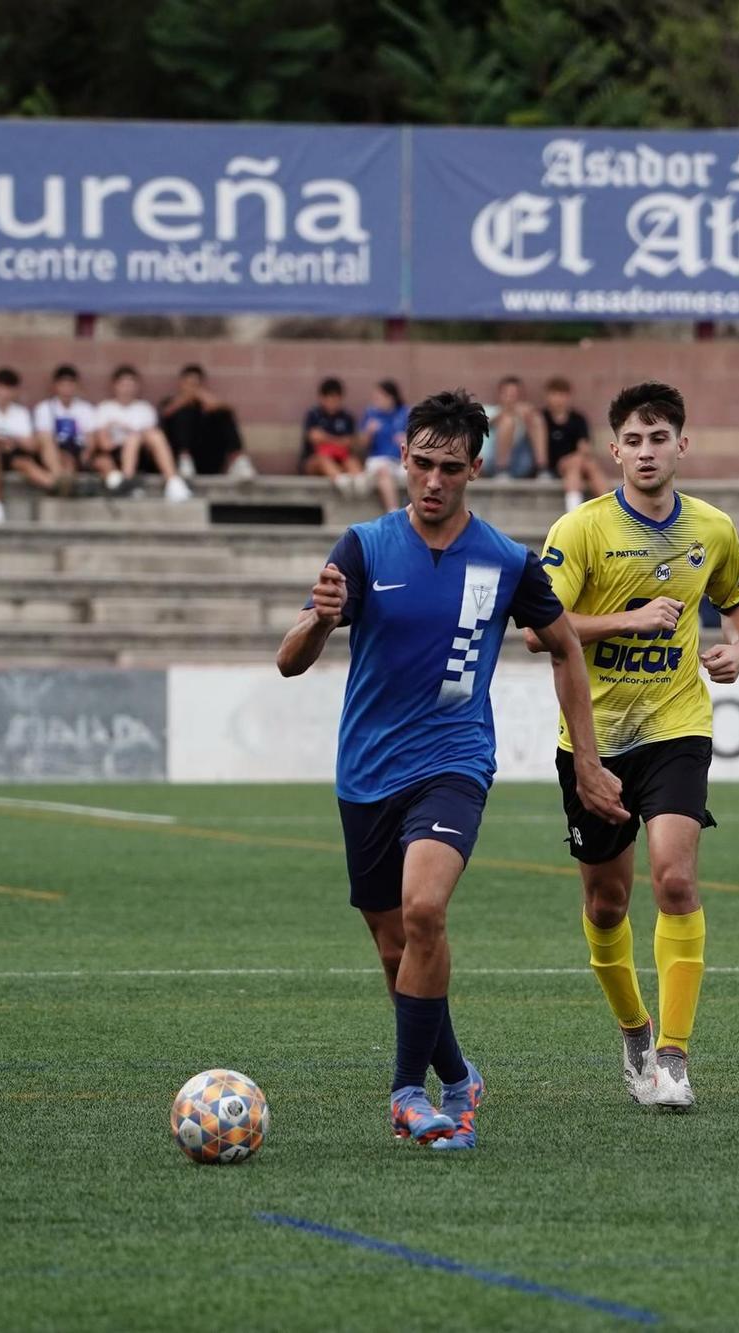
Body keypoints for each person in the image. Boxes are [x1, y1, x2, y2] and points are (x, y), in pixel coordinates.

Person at [275, 388, 625, 1151]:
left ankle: (408, 1093)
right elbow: (289, 660)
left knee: (425, 910)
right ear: (403, 457)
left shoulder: (506, 560)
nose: (434, 481)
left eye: (451, 468)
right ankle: (460, 1076)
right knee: (395, 946)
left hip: (454, 760)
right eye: (423, 463)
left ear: (475, 469)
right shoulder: (362, 547)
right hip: (367, 770)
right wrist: (320, 619)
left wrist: (588, 761)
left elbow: (565, 646)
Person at [525, 380, 739, 1110]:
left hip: (676, 725)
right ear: (614, 449)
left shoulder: (713, 528)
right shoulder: (580, 530)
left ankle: (675, 1057)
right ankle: (635, 1028)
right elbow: (537, 629)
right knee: (606, 903)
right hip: (593, 738)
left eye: (660, 438)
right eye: (634, 439)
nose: (647, 451)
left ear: (682, 445)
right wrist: (629, 620)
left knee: (676, 880)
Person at [99, 365, 192, 502]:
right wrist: (128, 436)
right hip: (116, 454)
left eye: (131, 384)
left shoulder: (145, 409)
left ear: (137, 386)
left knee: (152, 435)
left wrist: (128, 432)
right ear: (115, 386)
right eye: (123, 384)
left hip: (143, 455)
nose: (127, 389)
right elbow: (104, 444)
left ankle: (173, 481)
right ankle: (127, 481)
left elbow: (151, 438)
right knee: (133, 438)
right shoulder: (105, 408)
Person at [160, 363, 254, 479]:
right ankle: (184, 459)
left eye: (195, 385)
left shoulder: (206, 403)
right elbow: (165, 414)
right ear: (181, 383)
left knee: (222, 412)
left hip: (207, 458)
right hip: (177, 459)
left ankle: (238, 460)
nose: (192, 388)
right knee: (185, 412)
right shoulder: (169, 401)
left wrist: (207, 400)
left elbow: (229, 409)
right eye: (188, 384)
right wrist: (186, 399)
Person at [0, 366, 59, 496]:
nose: (5, 393)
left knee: (43, 438)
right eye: (2, 388)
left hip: (15, 450)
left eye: (9, 389)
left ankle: (58, 478)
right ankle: (57, 485)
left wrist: (14, 441)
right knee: (23, 464)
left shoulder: (21, 412)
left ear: (15, 391)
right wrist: (1, 441)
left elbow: (30, 444)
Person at [33, 364, 98, 496]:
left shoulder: (85, 408)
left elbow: (91, 438)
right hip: (54, 448)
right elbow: (43, 436)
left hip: (77, 449)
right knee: (54, 449)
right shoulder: (44, 408)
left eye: (70, 384)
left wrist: (87, 453)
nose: (66, 389)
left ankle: (61, 484)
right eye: (63, 385)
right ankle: (60, 479)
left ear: (76, 386)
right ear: (55, 386)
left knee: (69, 461)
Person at [541, 376, 602, 510]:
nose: (558, 399)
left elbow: (584, 447)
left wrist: (578, 457)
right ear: (547, 396)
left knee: (590, 465)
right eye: (554, 395)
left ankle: (610, 505)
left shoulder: (577, 418)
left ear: (568, 397)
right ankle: (575, 511)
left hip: (577, 462)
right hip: (555, 465)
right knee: (576, 466)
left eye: (562, 395)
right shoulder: (542, 417)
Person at [301, 376, 365, 495]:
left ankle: (360, 482)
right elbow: (314, 437)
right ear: (322, 398)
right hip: (315, 462)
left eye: (336, 399)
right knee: (323, 460)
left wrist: (326, 438)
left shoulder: (346, 417)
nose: (332, 403)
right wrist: (339, 441)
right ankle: (341, 482)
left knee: (351, 461)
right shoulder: (313, 415)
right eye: (329, 399)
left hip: (341, 459)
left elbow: (350, 442)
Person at [356, 379, 408, 513]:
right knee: (383, 471)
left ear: (390, 398)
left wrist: (407, 439)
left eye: (379, 398)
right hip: (378, 460)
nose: (376, 401)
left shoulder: (404, 413)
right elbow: (361, 445)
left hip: (401, 460)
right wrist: (369, 432)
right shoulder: (371, 414)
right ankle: (393, 512)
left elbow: (419, 440)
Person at [491, 375, 548, 480]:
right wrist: (508, 412)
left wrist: (529, 415)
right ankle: (502, 470)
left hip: (522, 461)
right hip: (493, 462)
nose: (511, 398)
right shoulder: (491, 410)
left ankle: (542, 469)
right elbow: (485, 423)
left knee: (536, 419)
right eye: (507, 394)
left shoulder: (526, 413)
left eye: (515, 394)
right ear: (500, 395)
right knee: (507, 421)